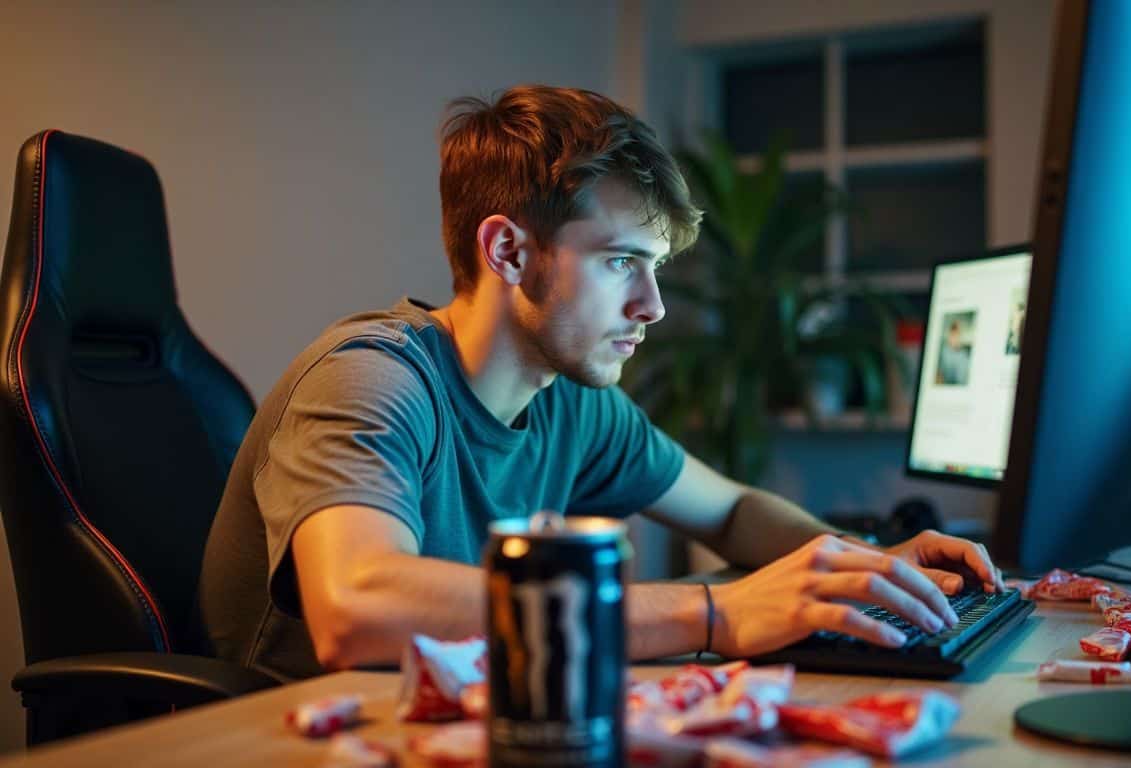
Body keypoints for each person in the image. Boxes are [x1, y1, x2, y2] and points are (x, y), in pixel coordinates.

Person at [198, 85, 1004, 680]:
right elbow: (357, 607)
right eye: (622, 261)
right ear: (509, 252)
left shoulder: (571, 402)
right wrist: (713, 613)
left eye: (653, 269)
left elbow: (729, 508)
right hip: (287, 737)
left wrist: (869, 565)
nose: (651, 307)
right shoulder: (371, 382)